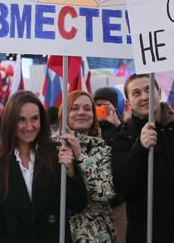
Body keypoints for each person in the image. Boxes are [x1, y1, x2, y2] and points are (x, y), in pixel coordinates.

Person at [112, 73, 174, 243]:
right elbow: (122, 186)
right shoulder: (122, 137)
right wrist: (140, 147)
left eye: (148, 90)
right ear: (129, 102)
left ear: (159, 92)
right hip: (146, 234)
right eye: (136, 93)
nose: (144, 97)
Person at [0, 91, 87, 243]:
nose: (29, 127)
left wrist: (71, 171)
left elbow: (78, 204)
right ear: (10, 121)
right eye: (21, 119)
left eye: (35, 118)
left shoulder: (57, 155)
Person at [59, 90, 116, 243]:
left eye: (87, 108)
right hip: (60, 232)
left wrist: (79, 156)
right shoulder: (51, 146)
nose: (81, 113)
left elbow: (104, 193)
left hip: (96, 236)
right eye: (74, 108)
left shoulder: (103, 149)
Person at [94, 87, 127, 243]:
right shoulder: (90, 130)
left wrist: (117, 125)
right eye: (97, 105)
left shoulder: (124, 128)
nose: (101, 109)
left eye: (105, 105)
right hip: (95, 205)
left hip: (118, 202)